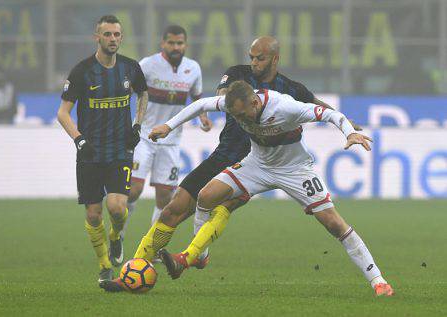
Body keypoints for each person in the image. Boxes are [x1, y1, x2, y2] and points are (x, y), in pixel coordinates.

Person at [99, 36, 362, 293]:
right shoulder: (237, 74)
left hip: (256, 163)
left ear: (274, 59)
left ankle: (193, 256)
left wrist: (349, 125)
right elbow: (221, 96)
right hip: (224, 154)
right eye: (252, 57)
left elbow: (317, 106)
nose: (254, 63)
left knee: (222, 204)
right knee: (173, 209)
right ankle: (134, 270)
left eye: (260, 58)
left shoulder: (292, 89)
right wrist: (177, 122)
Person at [152, 81, 394, 297]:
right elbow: (202, 104)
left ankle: (378, 280)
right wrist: (168, 126)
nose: (239, 119)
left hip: (295, 169)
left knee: (332, 222)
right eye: (235, 115)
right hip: (257, 164)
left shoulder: (285, 108)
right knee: (206, 195)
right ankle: (199, 256)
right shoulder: (236, 105)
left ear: (255, 102)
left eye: (242, 114)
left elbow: (329, 114)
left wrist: (350, 133)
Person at [57, 15, 148, 285]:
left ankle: (116, 236)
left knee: (118, 207)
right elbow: (63, 113)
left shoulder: (131, 68)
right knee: (93, 213)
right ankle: (104, 266)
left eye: (117, 35)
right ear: (97, 37)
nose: (113, 39)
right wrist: (78, 139)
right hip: (90, 152)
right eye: (107, 34)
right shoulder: (82, 71)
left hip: (121, 148)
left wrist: (137, 124)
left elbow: (143, 94)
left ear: (121, 37)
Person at [123, 25, 211, 233]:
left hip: (171, 141)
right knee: (133, 190)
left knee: (165, 198)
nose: (175, 47)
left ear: (185, 45)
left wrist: (203, 117)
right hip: (143, 136)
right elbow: (128, 92)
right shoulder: (147, 65)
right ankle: (119, 233)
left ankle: (150, 247)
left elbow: (197, 97)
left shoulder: (193, 68)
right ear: (163, 43)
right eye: (171, 42)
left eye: (179, 43)